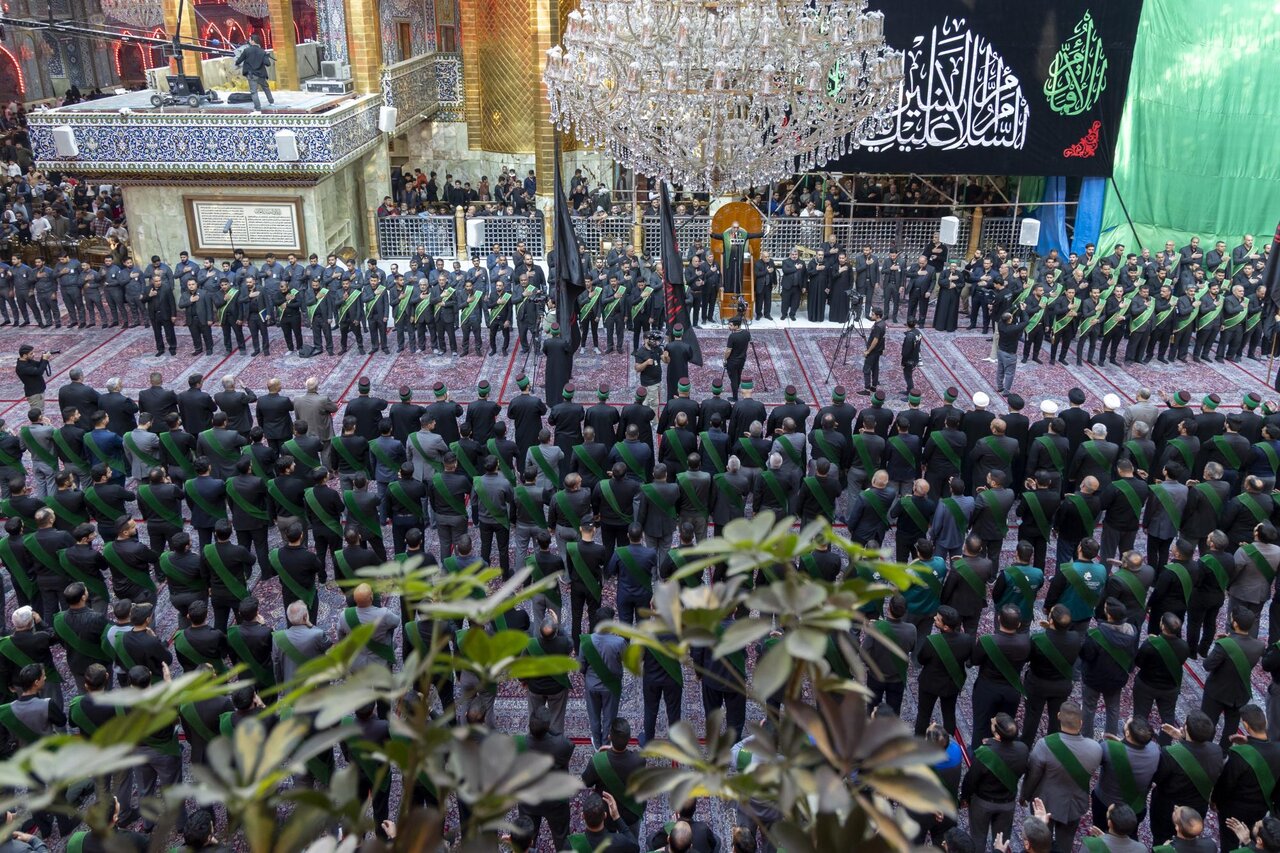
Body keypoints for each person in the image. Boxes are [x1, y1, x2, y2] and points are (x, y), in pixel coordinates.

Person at [235, 34, 275, 112]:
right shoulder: (262, 51)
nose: (249, 41)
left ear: (253, 41)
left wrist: (237, 63)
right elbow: (268, 64)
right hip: (261, 74)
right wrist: (266, 56)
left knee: (254, 92)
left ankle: (258, 108)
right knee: (265, 87)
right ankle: (271, 102)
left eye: (250, 40)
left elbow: (239, 61)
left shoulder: (247, 51)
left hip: (251, 75)